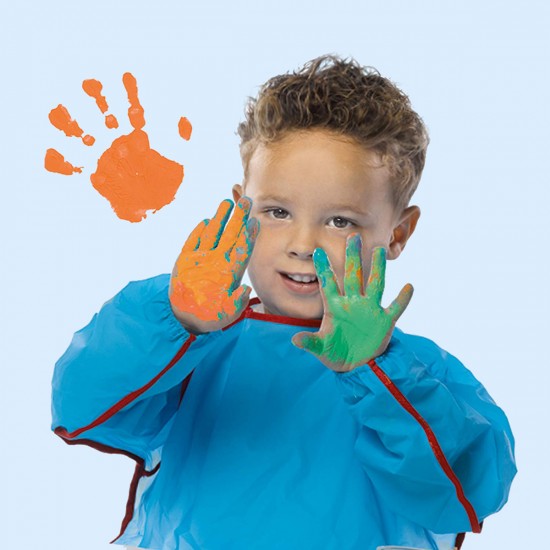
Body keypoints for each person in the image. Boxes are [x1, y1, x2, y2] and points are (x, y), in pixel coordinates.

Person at [51, 55, 516, 550]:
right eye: (276, 211)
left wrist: (377, 373)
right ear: (240, 205)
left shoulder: (419, 375)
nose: (303, 244)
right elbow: (79, 406)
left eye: (340, 221)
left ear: (398, 233)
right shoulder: (193, 351)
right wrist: (174, 317)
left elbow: (467, 492)